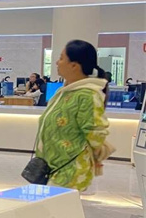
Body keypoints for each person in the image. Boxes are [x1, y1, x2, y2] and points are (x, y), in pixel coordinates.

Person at [33, 40, 114, 192]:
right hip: (53, 168)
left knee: (60, 206)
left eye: (61, 58)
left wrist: (97, 155)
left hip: (70, 171)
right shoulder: (65, 92)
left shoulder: (87, 95)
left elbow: (95, 133)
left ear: (74, 66)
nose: (57, 62)